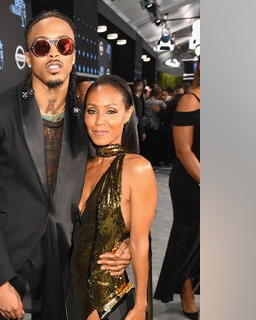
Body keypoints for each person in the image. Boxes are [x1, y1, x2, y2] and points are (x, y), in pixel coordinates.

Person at [0, 10, 131, 320]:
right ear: (28, 57)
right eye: (42, 46)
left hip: (68, 269)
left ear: (73, 55)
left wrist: (125, 241)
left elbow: (114, 187)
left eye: (63, 45)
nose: (54, 52)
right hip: (11, 267)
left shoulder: (87, 118)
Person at [69, 75, 157, 320]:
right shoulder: (80, 167)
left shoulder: (137, 168)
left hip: (108, 302)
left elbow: (141, 243)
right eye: (92, 110)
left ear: (128, 114)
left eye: (111, 111)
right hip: (70, 295)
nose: (99, 121)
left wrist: (141, 307)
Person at [153, 59, 200, 320]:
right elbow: (183, 151)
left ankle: (191, 283)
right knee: (188, 239)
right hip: (190, 182)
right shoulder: (190, 100)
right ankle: (185, 290)